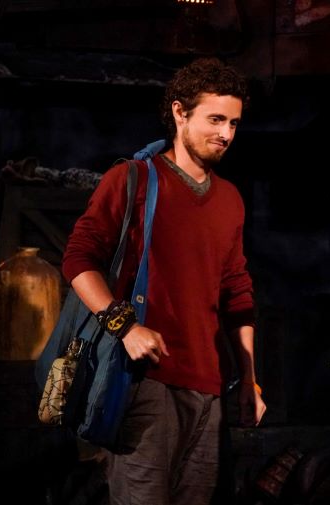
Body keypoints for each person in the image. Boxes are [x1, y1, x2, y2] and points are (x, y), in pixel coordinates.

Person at [62, 57, 266, 504]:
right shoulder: (133, 179)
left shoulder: (229, 199)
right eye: (215, 119)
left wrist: (249, 380)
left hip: (209, 388)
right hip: (145, 381)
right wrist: (125, 327)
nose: (227, 134)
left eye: (233, 123)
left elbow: (236, 293)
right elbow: (77, 260)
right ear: (179, 112)